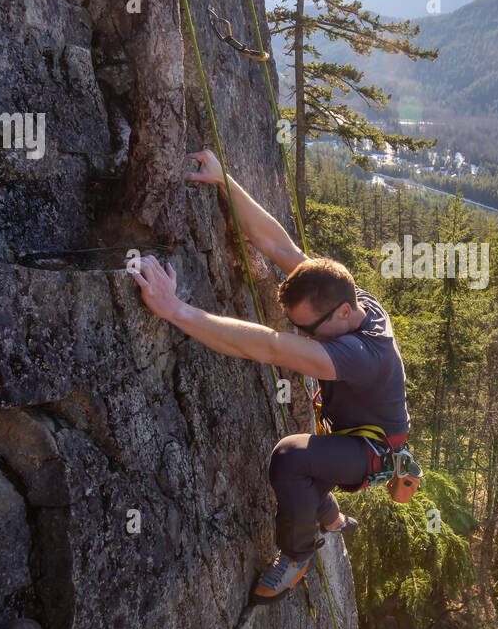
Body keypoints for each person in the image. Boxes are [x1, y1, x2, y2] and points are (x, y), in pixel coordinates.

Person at [132, 151, 411, 604]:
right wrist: (225, 181)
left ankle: (298, 554)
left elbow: (267, 346)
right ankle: (331, 516)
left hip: (374, 451)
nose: (302, 336)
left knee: (291, 458)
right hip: (362, 433)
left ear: (342, 313)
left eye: (308, 330)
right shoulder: (352, 302)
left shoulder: (362, 355)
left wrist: (174, 309)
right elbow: (282, 248)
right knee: (315, 457)